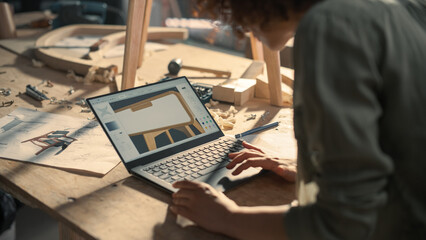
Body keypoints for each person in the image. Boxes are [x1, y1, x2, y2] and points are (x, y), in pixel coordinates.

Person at [170, 0, 426, 239]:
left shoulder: (331, 26)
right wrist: (312, 166)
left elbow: (346, 224)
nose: (241, 25)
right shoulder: (402, 8)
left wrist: (228, 218)